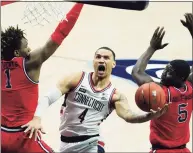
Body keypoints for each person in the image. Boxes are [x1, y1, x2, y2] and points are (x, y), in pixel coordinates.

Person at [23, 46, 169, 152]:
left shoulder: (115, 95)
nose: (101, 60)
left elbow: (129, 116)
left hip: (91, 144)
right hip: (65, 144)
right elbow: (48, 97)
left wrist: (148, 116)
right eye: (98, 57)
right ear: (93, 61)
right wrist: (37, 118)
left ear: (113, 64)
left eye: (106, 58)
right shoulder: (77, 78)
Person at [1, 3, 84, 153]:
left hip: (2, 134)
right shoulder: (29, 63)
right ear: (17, 52)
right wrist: (80, 3)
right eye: (26, 47)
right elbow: (60, 34)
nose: (29, 49)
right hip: (23, 135)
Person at [131, 13, 193, 153]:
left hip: (162, 150)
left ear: (182, 77)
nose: (164, 73)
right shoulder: (190, 87)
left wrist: (152, 48)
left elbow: (137, 72)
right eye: (165, 69)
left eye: (170, 72)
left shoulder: (161, 92)